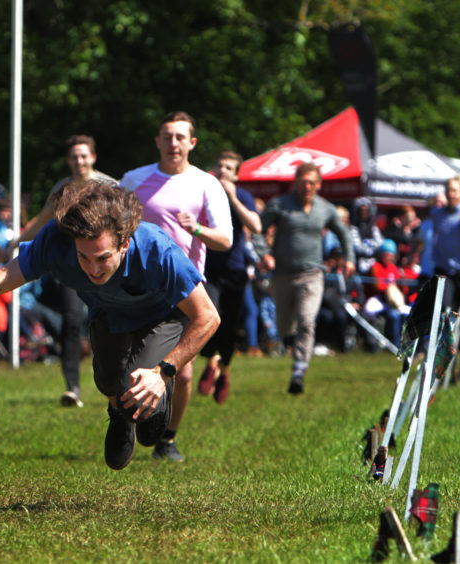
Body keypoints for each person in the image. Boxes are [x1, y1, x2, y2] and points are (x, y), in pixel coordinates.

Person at [0, 180, 219, 471]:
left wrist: (164, 371)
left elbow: (208, 316)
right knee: (113, 389)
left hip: (160, 316)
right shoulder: (56, 241)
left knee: (146, 420)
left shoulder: (157, 250)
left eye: (103, 258)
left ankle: (147, 397)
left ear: (124, 244)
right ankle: (119, 414)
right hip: (108, 313)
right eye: (83, 257)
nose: (93, 269)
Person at [119, 111, 232, 462]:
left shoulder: (206, 184)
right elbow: (111, 222)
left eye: (180, 137)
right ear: (157, 141)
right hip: (136, 285)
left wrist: (195, 229)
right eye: (167, 136)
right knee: (128, 363)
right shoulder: (135, 180)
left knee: (182, 374)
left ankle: (168, 438)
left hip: (184, 290)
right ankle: (126, 425)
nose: (173, 143)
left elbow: (225, 240)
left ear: (192, 143)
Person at [17, 134, 117, 408]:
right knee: (72, 322)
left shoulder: (109, 186)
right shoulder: (62, 189)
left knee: (111, 321)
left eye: (84, 155)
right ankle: (72, 388)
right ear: (68, 160)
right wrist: (18, 242)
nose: (79, 161)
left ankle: (119, 382)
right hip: (72, 268)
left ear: (93, 157)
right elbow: (43, 219)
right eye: (74, 156)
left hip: (106, 268)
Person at [253, 161, 356, 394]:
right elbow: (258, 231)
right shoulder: (280, 205)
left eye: (312, 182)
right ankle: (291, 345)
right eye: (303, 182)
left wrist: (349, 258)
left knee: (307, 320)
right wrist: (265, 254)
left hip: (312, 274)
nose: (307, 186)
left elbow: (344, 234)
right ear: (296, 183)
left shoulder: (326, 209)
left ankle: (299, 369)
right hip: (282, 274)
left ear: (319, 184)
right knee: (285, 325)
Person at [196, 151, 261, 404]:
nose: (223, 170)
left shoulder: (242, 196)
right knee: (210, 315)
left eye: (229, 167)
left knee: (231, 324)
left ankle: (224, 371)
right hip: (208, 268)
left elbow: (256, 227)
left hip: (235, 269)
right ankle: (211, 362)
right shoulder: (203, 192)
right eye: (220, 166)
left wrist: (233, 198)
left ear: (236, 174)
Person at [430, 174, 460, 379]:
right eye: (448, 190)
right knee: (444, 313)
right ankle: (443, 358)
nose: (451, 194)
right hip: (444, 271)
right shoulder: (438, 214)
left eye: (454, 191)